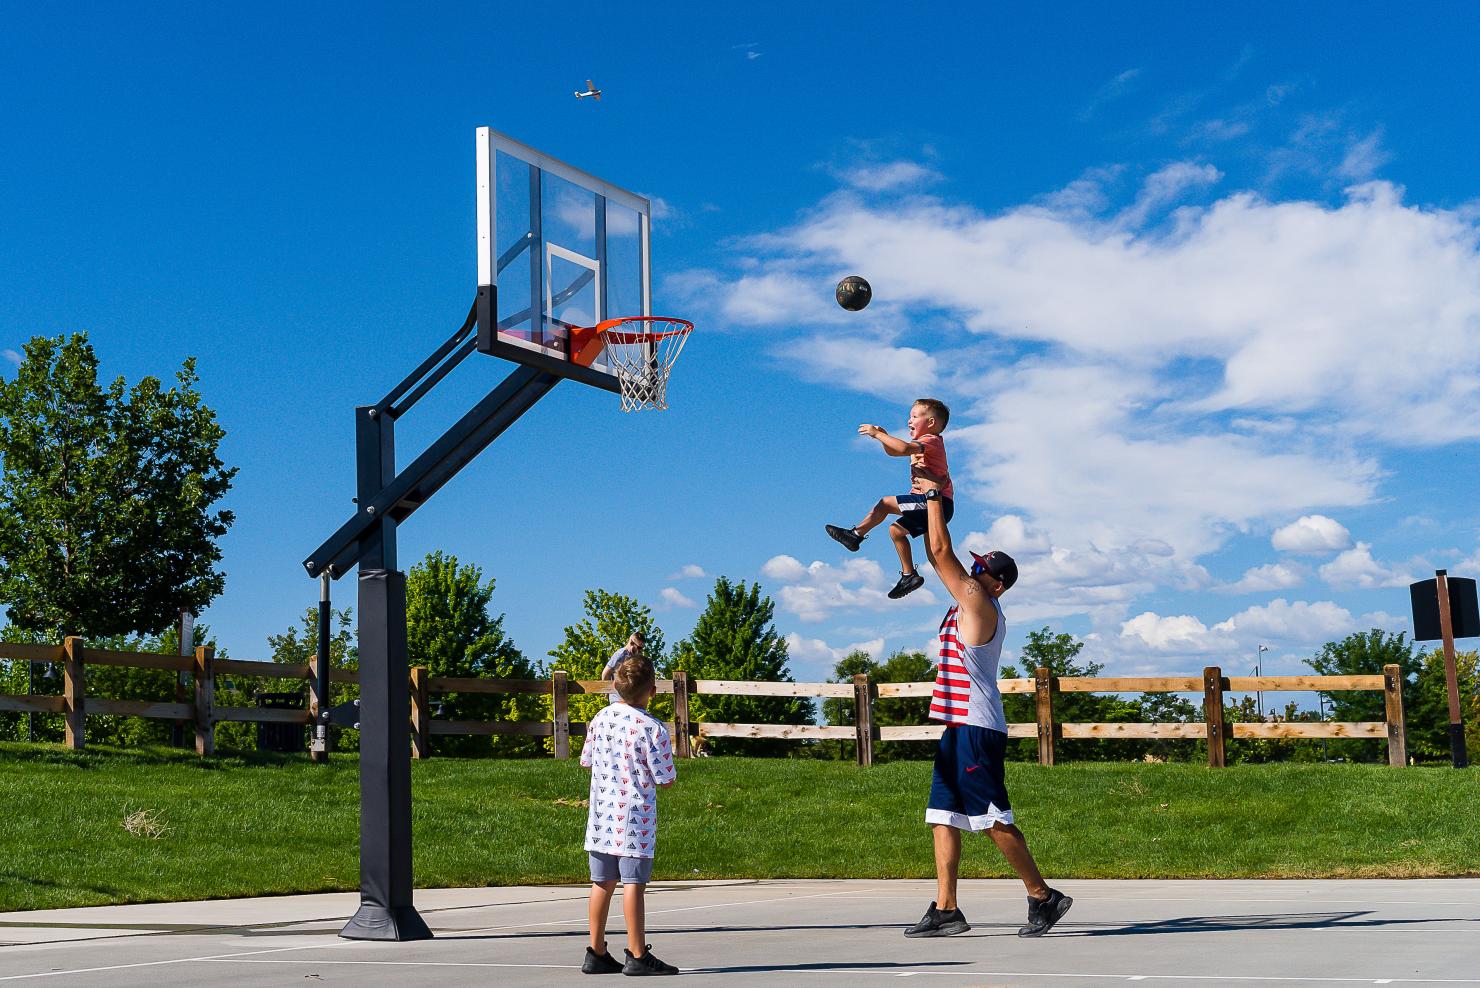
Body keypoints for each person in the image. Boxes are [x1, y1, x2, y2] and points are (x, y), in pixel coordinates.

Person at [904, 474, 1073, 940]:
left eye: (981, 570)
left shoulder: (980, 602)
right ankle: (946, 909)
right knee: (942, 816)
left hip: (977, 727)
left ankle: (1043, 896)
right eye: (974, 567)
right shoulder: (969, 602)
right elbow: (939, 555)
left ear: (996, 585)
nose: (972, 573)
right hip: (957, 726)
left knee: (993, 818)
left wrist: (933, 496)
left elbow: (939, 554)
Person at [580, 657, 679, 975]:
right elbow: (666, 778)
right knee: (633, 884)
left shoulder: (600, 718)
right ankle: (637, 954)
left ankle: (596, 950)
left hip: (600, 820)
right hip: (634, 821)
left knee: (601, 883)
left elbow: (586, 760)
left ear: (615, 685)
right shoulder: (652, 727)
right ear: (652, 690)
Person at [825, 398, 953, 599]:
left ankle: (855, 535)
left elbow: (901, 448)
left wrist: (877, 434)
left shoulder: (930, 440)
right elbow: (895, 452)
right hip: (926, 502)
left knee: (884, 504)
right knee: (895, 531)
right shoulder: (922, 444)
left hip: (936, 502)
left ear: (930, 423)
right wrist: (882, 438)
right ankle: (909, 575)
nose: (909, 420)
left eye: (915, 416)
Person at [601, 632, 647, 700]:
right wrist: (607, 691)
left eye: (642, 648)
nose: (640, 651)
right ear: (631, 642)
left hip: (629, 698)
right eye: (639, 647)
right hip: (617, 698)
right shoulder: (620, 655)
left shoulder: (633, 656)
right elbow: (605, 673)